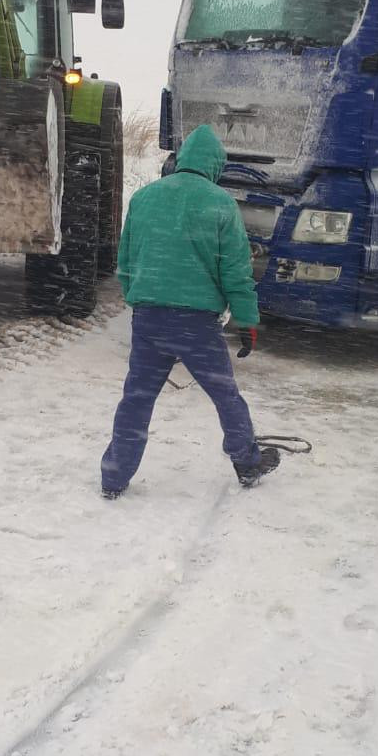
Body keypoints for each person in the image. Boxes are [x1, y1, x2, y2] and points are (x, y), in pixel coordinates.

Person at [100, 124, 279, 498]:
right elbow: (235, 271)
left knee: (137, 396)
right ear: (215, 165)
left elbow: (126, 260)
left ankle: (114, 475)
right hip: (197, 324)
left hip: (149, 318)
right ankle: (247, 463)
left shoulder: (145, 197)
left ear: (181, 159)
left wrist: (138, 297)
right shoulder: (220, 204)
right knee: (225, 395)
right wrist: (246, 321)